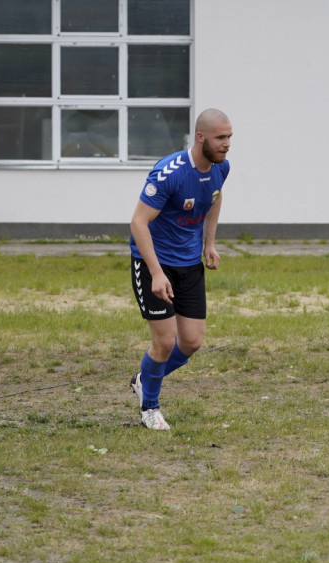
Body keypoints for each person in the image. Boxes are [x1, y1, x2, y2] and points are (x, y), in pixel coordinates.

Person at [128, 108, 233, 430]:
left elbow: (214, 198)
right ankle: (150, 407)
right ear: (201, 137)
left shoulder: (220, 167)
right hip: (154, 265)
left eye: (229, 137)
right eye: (220, 137)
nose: (227, 144)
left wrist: (209, 243)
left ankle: (143, 379)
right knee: (165, 342)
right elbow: (138, 222)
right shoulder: (168, 173)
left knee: (191, 342)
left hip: (189, 264)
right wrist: (156, 273)